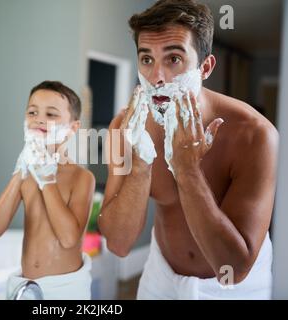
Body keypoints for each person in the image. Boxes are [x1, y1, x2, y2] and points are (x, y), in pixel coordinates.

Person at [98, 0, 278, 299]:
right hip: (161, 276)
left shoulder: (255, 135)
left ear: (205, 67)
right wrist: (141, 165)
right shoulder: (126, 128)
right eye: (146, 59)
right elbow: (118, 245)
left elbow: (232, 267)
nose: (156, 77)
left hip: (235, 286)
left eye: (173, 59)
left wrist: (186, 169)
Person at [0, 81, 96, 299]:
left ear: (72, 128)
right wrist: (19, 172)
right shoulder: (25, 175)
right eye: (32, 112)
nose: (39, 119)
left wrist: (47, 179)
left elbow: (68, 239)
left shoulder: (81, 177)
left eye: (51, 114)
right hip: (25, 285)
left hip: (65, 289)